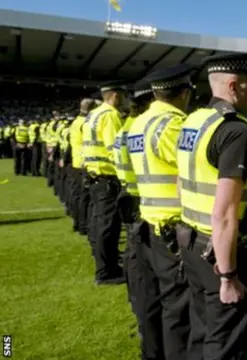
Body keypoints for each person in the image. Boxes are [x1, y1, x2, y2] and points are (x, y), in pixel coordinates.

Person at [175, 51, 247, 360]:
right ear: (233, 86)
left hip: (190, 241)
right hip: (221, 252)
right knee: (225, 342)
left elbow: (181, 181)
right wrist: (228, 276)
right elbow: (226, 212)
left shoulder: (194, 121)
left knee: (201, 332)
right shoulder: (235, 130)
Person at [128, 64, 195, 360]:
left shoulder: (139, 123)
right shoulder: (172, 125)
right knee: (178, 309)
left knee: (152, 302)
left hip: (148, 223)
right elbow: (191, 174)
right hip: (172, 227)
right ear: (183, 93)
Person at [113, 79, 154, 349]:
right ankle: (147, 324)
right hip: (145, 201)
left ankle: (141, 317)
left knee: (134, 263)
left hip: (130, 195)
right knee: (146, 272)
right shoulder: (144, 128)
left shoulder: (126, 129)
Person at [83, 80, 128, 285]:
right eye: (123, 96)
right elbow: (115, 149)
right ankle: (106, 272)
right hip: (108, 176)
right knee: (108, 226)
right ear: (115, 95)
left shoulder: (94, 114)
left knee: (100, 223)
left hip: (94, 175)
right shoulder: (110, 115)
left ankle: (107, 265)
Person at [67, 98, 97, 235]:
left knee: (78, 195)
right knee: (86, 198)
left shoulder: (75, 122)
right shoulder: (85, 123)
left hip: (76, 162)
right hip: (84, 163)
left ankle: (78, 223)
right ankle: (84, 225)